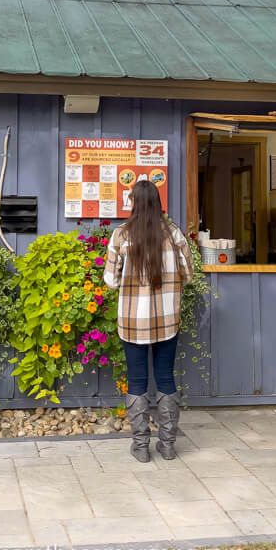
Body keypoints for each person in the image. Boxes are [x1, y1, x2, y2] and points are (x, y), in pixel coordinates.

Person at [102, 179, 193, 462]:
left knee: (136, 380)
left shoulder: (121, 235)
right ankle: (167, 445)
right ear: (158, 202)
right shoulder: (175, 234)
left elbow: (110, 281)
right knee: (166, 378)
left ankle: (141, 447)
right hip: (167, 320)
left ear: (134, 203)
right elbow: (188, 275)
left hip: (132, 322)